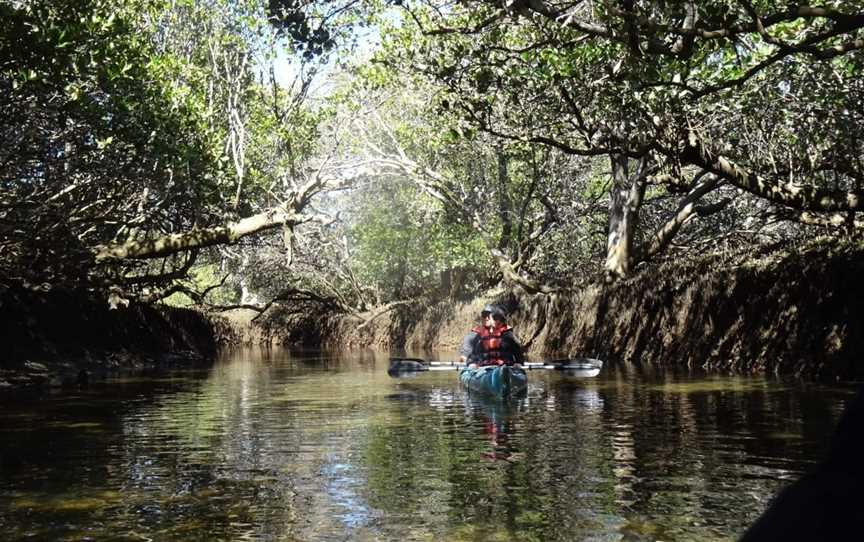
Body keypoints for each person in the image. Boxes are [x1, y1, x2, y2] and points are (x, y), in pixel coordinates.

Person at [458, 304, 525, 368]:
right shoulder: (473, 335)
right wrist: (470, 363)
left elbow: (518, 353)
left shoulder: (508, 334)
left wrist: (519, 363)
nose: (487, 318)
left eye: (489, 316)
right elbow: (464, 356)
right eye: (484, 315)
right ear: (481, 317)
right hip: (481, 369)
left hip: (505, 367)